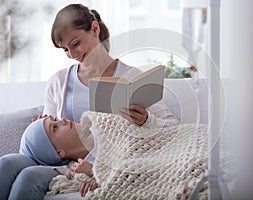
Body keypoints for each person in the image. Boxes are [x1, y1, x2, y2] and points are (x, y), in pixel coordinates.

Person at [0, 3, 179, 200]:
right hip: (58, 161)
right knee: (6, 163)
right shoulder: (58, 82)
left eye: (75, 44)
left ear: (95, 29)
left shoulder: (130, 78)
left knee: (28, 177)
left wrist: (146, 121)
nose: (72, 55)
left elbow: (172, 128)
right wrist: (41, 127)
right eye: (65, 50)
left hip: (79, 169)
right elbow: (51, 135)